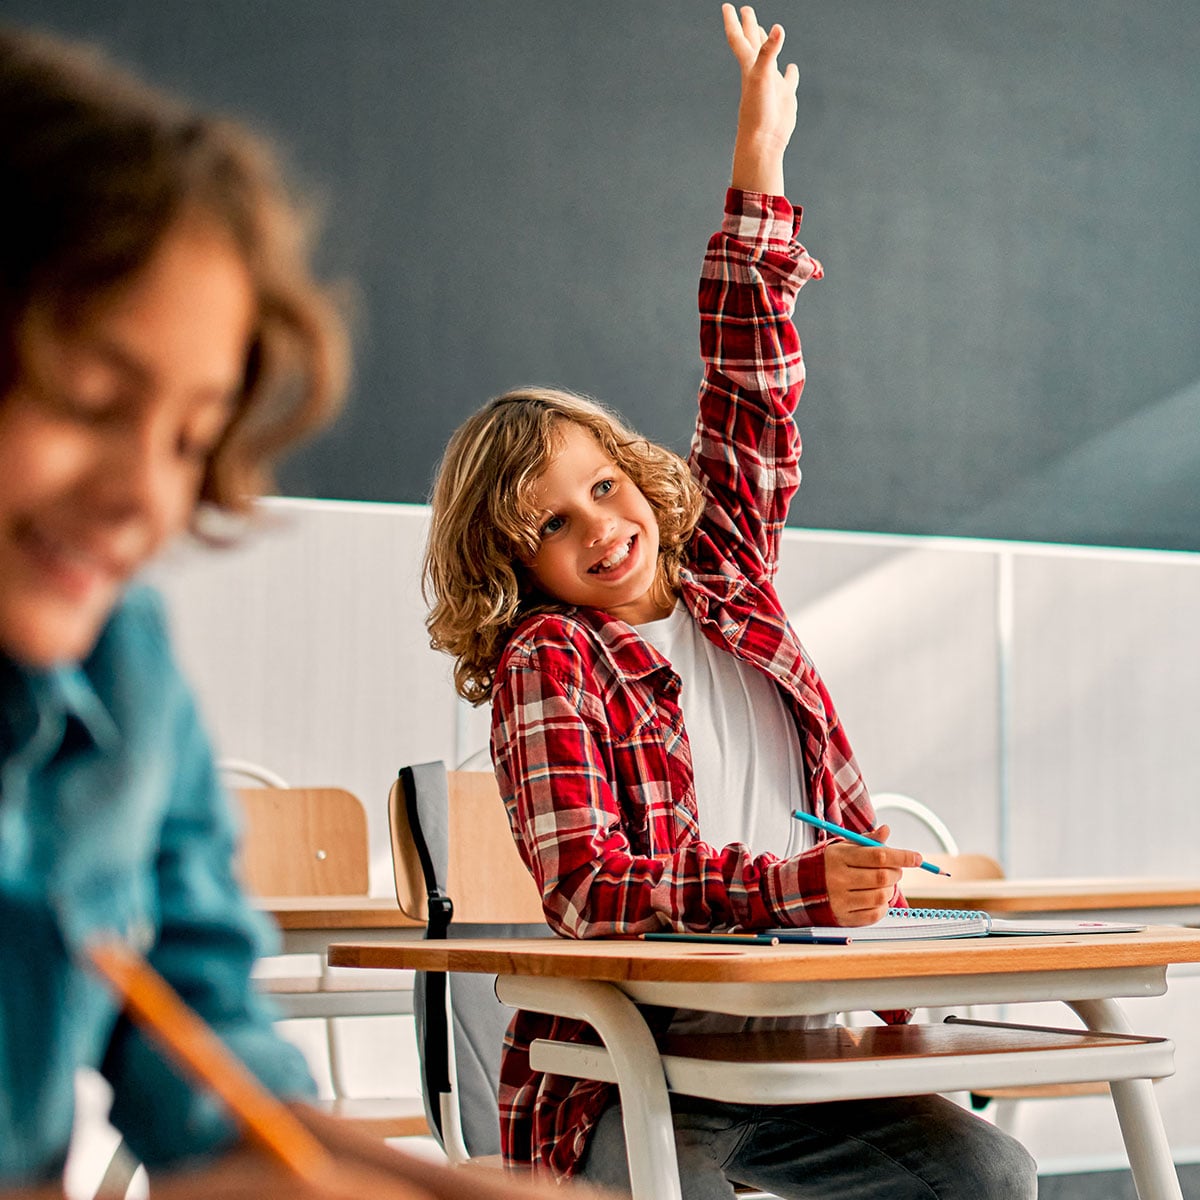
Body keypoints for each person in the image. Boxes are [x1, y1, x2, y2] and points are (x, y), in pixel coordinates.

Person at [423, 6, 1038, 1198]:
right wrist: (788, 890)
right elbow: (593, 892)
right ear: (516, 562)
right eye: (553, 524)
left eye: (603, 486)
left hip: (798, 1057)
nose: (603, 528)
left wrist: (758, 169)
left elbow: (750, 387)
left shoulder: (725, 574)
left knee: (989, 1176)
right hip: (633, 1076)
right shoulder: (548, 663)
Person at [0, 23, 574, 1200]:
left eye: (189, 436)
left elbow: (213, 1116)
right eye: (92, 398)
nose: (142, 495)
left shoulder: (124, 674)